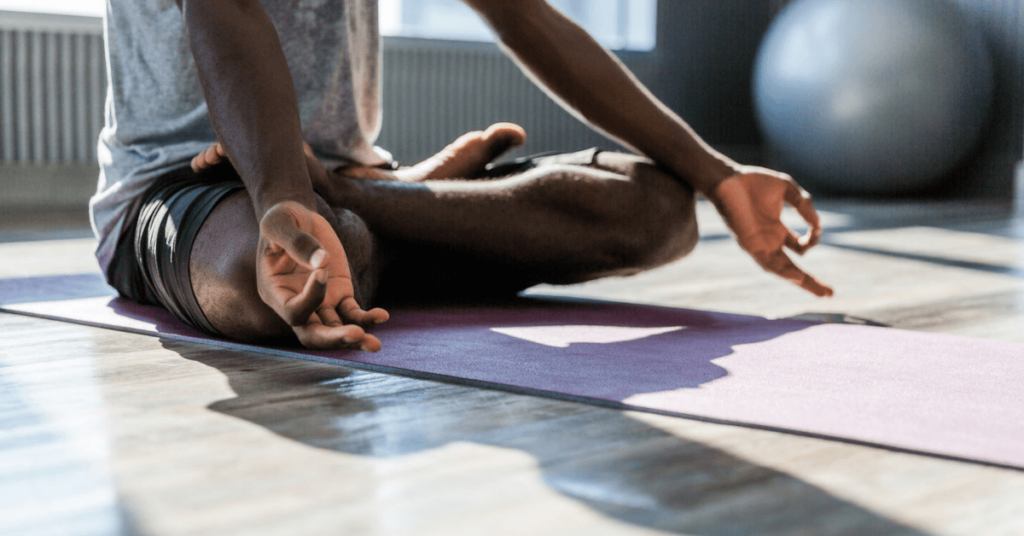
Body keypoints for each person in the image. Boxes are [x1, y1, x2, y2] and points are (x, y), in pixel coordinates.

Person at [91, 0, 833, 353]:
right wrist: (283, 193)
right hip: (187, 185)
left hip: (350, 182)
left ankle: (361, 213)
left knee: (659, 210)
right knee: (265, 278)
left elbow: (525, 17)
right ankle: (354, 230)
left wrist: (718, 173)